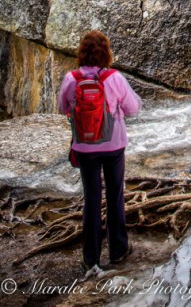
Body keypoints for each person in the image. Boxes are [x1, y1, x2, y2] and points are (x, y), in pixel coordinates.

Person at [58, 30, 142, 271]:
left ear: (81, 53)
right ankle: (118, 249)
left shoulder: (71, 79)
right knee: (115, 194)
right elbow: (133, 108)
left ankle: (91, 257)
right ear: (106, 53)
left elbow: (62, 106)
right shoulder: (114, 78)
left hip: (85, 147)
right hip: (114, 144)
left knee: (92, 198)